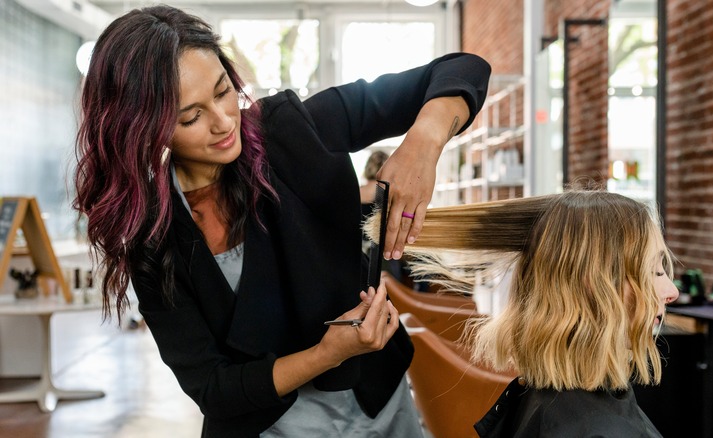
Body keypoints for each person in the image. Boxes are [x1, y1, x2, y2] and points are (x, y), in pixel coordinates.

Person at [72, 5, 491, 437]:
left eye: (222, 91)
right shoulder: (153, 237)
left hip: (379, 406)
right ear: (144, 130)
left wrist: (423, 142)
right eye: (191, 117)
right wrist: (326, 354)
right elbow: (213, 388)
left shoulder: (292, 131)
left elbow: (462, 70)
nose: (222, 122)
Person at [365, 190, 679, 437]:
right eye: (654, 272)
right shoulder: (592, 427)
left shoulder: (558, 408)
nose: (672, 292)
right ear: (594, 283)